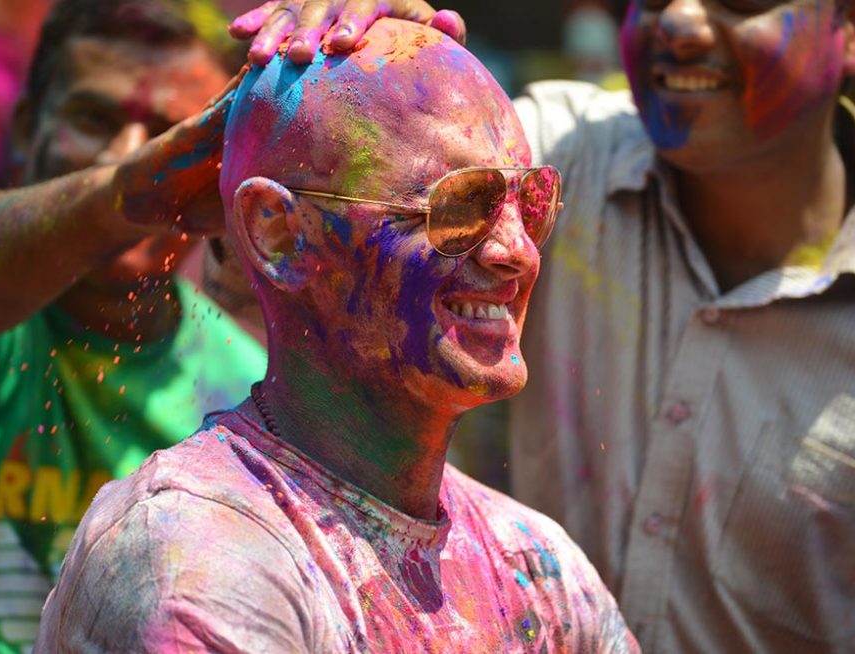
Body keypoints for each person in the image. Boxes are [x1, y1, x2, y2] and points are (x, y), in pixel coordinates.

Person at [235, 0, 855, 652]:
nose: (682, 23)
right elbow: (298, 198)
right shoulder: (557, 147)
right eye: (467, 205)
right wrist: (341, 69)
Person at [36, 18, 640, 653]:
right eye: (461, 204)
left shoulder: (538, 564)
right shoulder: (196, 552)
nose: (518, 252)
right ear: (279, 235)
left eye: (533, 202)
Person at [0, 1, 267, 651]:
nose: (126, 155)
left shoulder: (248, 395)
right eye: (94, 119)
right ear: (23, 126)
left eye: (169, 136)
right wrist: (127, 191)